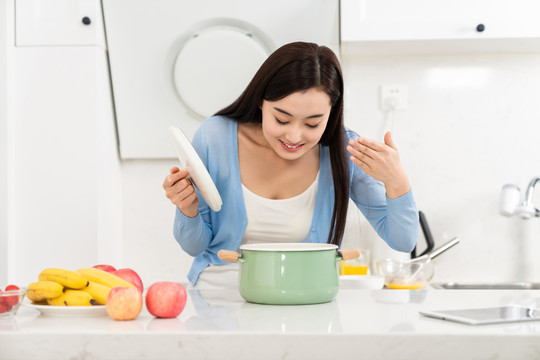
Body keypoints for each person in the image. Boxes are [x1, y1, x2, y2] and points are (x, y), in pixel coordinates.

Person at [163, 42, 418, 288]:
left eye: (312, 124)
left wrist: (397, 182)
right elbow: (194, 246)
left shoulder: (344, 150)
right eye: (282, 119)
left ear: (332, 113)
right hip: (219, 293)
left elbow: (403, 240)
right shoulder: (214, 137)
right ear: (261, 101)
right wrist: (187, 209)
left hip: (303, 296)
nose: (294, 137)